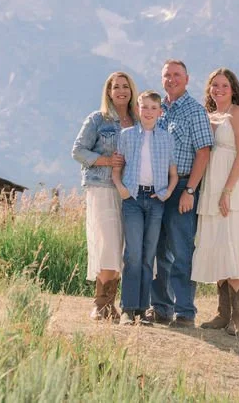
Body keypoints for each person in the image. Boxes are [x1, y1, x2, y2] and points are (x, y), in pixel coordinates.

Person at [192, 68, 239, 336]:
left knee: (235, 243)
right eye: (214, 85)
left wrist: (227, 191)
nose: (219, 89)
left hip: (234, 186)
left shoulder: (238, 114)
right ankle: (222, 314)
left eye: (224, 85)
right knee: (218, 244)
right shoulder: (208, 115)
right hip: (211, 185)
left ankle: (237, 318)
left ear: (233, 88)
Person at [149, 59, 214, 328]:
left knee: (181, 251)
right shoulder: (156, 110)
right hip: (155, 189)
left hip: (182, 189)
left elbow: (203, 152)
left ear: (187, 79)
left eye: (177, 75)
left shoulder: (195, 111)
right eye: (167, 75)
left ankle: (185, 311)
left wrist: (190, 190)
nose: (171, 79)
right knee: (157, 251)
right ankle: (160, 307)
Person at [71, 71, 138, 320]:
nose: (121, 91)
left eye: (125, 86)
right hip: (103, 188)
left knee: (123, 247)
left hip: (130, 191)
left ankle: (113, 304)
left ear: (132, 91)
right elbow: (78, 151)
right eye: (115, 87)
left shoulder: (138, 120)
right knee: (107, 244)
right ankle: (101, 304)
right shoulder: (97, 120)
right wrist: (107, 161)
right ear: (108, 92)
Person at [112, 91, 179, 325]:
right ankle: (128, 310)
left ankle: (142, 309)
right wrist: (120, 186)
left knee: (148, 256)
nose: (149, 112)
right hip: (132, 198)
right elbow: (117, 166)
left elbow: (173, 173)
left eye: (153, 108)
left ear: (160, 112)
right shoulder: (127, 135)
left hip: (155, 199)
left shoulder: (166, 138)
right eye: (144, 107)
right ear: (138, 110)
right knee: (133, 254)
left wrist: (167, 192)